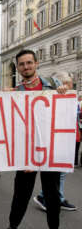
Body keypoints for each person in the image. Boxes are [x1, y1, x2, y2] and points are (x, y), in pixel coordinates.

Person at [1, 49, 68, 229]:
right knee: (20, 195)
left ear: (36, 64)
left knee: (53, 195)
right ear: (18, 68)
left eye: (29, 63)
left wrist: (66, 89)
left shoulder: (53, 85)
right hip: (26, 154)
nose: (26, 67)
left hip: (50, 152)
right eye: (21, 64)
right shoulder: (16, 91)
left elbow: (66, 99)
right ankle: (12, 228)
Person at [33, 72, 77, 211]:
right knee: (57, 171)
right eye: (69, 85)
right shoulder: (54, 97)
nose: (72, 87)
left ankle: (55, 197)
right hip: (54, 139)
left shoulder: (66, 97)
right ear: (62, 84)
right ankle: (48, 197)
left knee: (61, 171)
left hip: (63, 137)